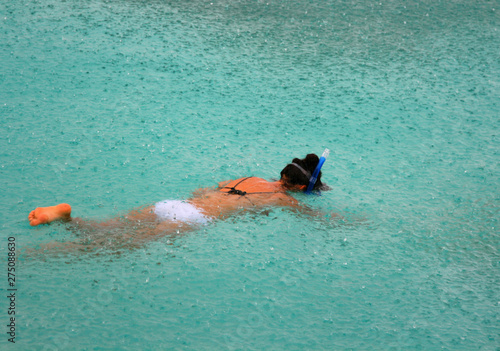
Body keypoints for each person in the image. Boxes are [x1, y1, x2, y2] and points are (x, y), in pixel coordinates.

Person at [28, 153, 333, 251]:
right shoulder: (280, 198)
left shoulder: (248, 178)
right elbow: (318, 221)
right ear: (303, 186)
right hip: (191, 218)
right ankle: (43, 254)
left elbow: (205, 190)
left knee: (109, 227)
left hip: (174, 203)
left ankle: (67, 219)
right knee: (118, 248)